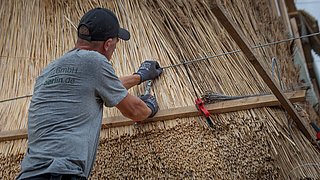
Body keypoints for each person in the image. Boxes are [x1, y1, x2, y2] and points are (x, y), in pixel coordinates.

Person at [17, 7, 163, 180]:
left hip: (29, 174)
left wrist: (140, 77)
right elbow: (135, 111)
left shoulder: (50, 70)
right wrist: (149, 107)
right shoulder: (96, 61)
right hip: (62, 173)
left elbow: (100, 88)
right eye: (115, 44)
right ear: (108, 44)